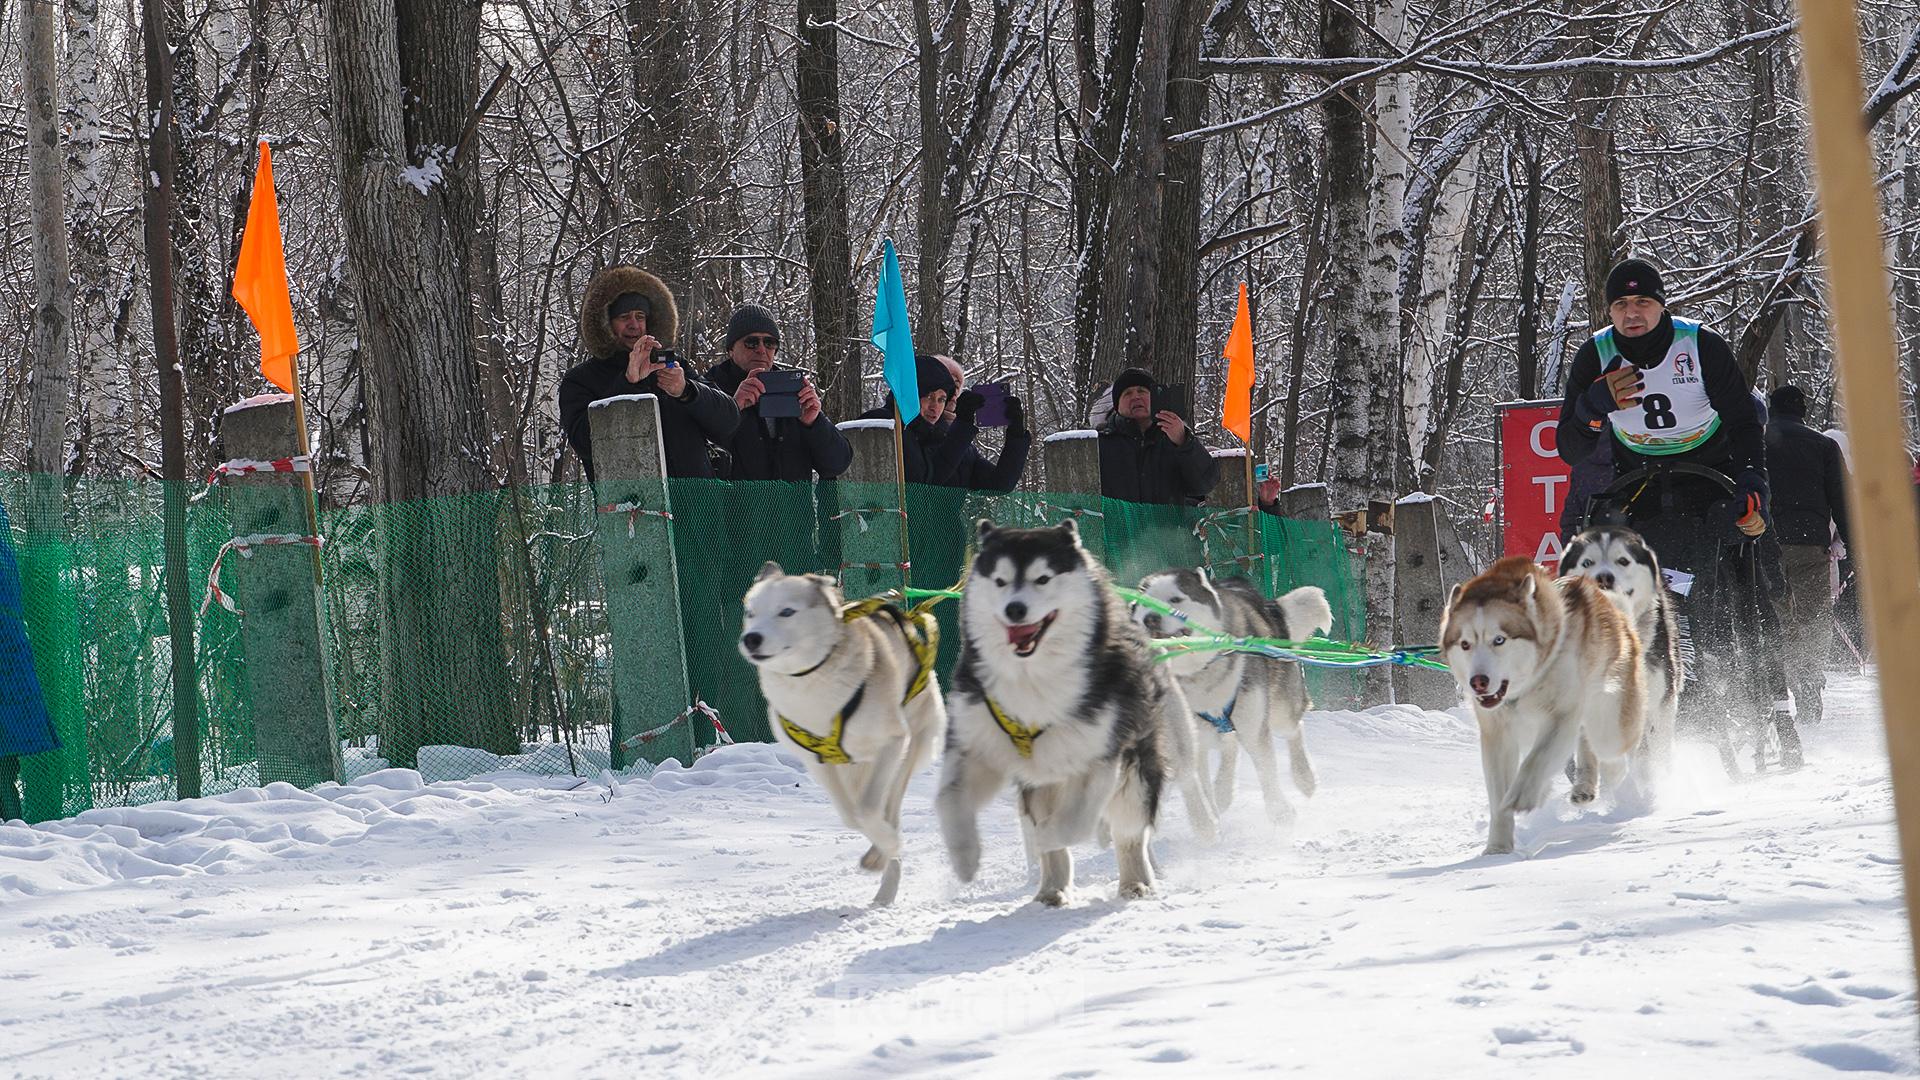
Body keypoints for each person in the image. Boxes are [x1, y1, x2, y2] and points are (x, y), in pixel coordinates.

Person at [1554, 258, 1798, 768]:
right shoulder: (1594, 355)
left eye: (1643, 302)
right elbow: (1571, 450)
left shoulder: (1700, 345)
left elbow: (1743, 422)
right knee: (1621, 583)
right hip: (1639, 482)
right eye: (1621, 304)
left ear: (1662, 305)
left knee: (1740, 573)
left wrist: (1754, 482)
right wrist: (1592, 405)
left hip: (1711, 475)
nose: (1632, 314)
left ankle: (1766, 699)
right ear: (1610, 311)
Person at [559, 265, 739, 481]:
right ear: (606, 323)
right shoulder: (581, 380)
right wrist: (627, 384)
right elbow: (584, 443)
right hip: (629, 507)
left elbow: (729, 421)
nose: (634, 325)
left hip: (696, 506)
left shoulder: (673, 366)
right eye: (624, 317)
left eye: (640, 316)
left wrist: (687, 391)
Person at [1765, 385, 1851, 724]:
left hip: (1766, 542)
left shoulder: (1756, 442)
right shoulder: (1824, 445)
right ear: (1803, 411)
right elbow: (1841, 498)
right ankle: (1809, 685)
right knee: (1814, 616)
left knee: (1775, 615)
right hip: (1809, 543)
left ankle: (1775, 690)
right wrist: (1848, 542)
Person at [704, 304, 854, 481]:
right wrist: (733, 408)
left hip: (794, 508)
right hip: (732, 507)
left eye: (770, 343)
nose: (761, 349)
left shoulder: (792, 390)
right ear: (730, 349)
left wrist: (814, 422)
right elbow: (697, 457)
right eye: (751, 342)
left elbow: (837, 464)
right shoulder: (710, 391)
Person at [1098, 367, 1220, 505]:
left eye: (1141, 391)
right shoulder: (1101, 443)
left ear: (1155, 398)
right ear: (1117, 406)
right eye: (1127, 393)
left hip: (1169, 527)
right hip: (1116, 527)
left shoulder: (1176, 439)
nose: (1135, 397)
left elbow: (1205, 484)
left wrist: (1183, 442)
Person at [929, 356, 1031, 492]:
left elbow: (999, 485)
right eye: (948, 385)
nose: (953, 393)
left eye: (957, 386)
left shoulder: (966, 448)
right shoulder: (914, 429)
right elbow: (931, 479)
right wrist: (962, 425)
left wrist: (1016, 435)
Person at [858, 354, 959, 484]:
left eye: (941, 399)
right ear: (912, 395)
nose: (935, 407)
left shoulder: (934, 435)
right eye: (928, 396)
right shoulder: (881, 423)